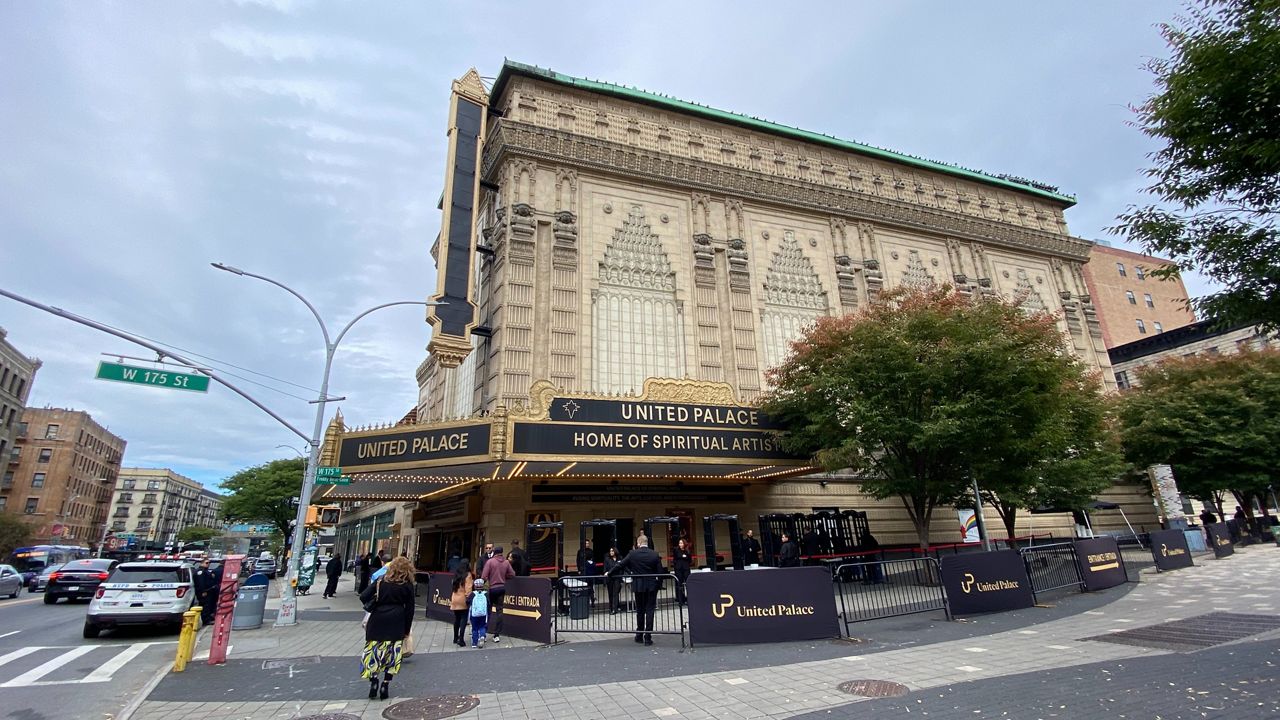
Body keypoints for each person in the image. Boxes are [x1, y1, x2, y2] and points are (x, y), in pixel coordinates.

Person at [359, 556, 414, 701]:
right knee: (392, 654)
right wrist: (406, 630)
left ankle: (374, 680)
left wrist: (377, 599)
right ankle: (385, 684)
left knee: (374, 651)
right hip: (397, 620)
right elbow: (410, 610)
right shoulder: (407, 585)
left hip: (378, 619)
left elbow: (364, 596)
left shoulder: (381, 580)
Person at [607, 533, 663, 646]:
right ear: (646, 543)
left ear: (639, 543)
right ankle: (648, 637)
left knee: (640, 611)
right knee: (650, 611)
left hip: (638, 585)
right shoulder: (654, 554)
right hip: (651, 585)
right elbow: (660, 572)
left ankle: (639, 634)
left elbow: (620, 565)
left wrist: (609, 572)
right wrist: (658, 585)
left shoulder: (633, 554)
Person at [480, 545, 514, 643]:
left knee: (488, 611)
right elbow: (512, 574)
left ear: (494, 552)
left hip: (492, 589)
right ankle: (496, 635)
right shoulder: (506, 562)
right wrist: (504, 577)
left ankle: (484, 633)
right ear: (502, 552)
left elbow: (484, 576)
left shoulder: (490, 562)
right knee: (500, 611)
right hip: (502, 588)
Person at [448, 560, 474, 647]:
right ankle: (461, 639)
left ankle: (455, 637)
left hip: (455, 598)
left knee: (457, 619)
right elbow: (468, 589)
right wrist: (469, 598)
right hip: (463, 599)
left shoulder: (457, 574)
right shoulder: (468, 575)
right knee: (463, 619)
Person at [193, 558, 218, 625]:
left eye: (209, 563)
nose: (208, 564)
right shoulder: (200, 572)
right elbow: (201, 583)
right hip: (204, 592)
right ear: (201, 563)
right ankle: (206, 620)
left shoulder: (205, 571)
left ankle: (209, 618)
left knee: (208, 605)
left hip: (209, 591)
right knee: (205, 606)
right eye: (206, 563)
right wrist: (203, 591)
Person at [467, 578, 489, 648]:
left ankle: (474, 643)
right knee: (482, 626)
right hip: (483, 614)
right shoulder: (486, 594)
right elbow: (489, 603)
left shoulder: (472, 594)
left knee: (474, 628)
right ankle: (482, 636)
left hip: (474, 615)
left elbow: (467, 602)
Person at [603, 546, 623, 614]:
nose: (611, 552)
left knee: (615, 593)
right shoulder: (607, 559)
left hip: (617, 578)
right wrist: (605, 573)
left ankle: (615, 608)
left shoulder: (619, 558)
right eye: (610, 551)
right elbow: (605, 568)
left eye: (612, 551)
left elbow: (622, 567)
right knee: (610, 593)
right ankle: (611, 608)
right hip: (610, 578)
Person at [672, 537, 692, 605]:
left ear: (684, 544)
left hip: (686, 568)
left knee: (687, 583)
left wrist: (685, 557)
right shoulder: (676, 550)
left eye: (681, 543)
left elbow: (690, 560)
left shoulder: (687, 551)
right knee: (679, 584)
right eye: (679, 543)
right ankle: (681, 600)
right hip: (678, 569)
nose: (680, 544)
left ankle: (688, 599)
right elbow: (674, 559)